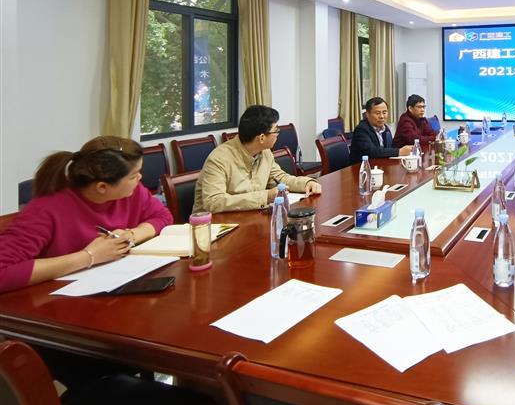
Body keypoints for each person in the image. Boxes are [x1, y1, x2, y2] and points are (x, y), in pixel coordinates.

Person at [0, 136, 173, 293]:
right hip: (52, 303)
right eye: (133, 175)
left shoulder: (130, 191)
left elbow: (162, 216)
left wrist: (132, 235)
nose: (139, 178)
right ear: (102, 187)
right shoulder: (45, 210)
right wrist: (89, 256)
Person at [194, 105, 321, 213]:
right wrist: (265, 197)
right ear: (261, 138)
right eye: (276, 130)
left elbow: (280, 178)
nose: (278, 134)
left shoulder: (264, 152)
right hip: (215, 226)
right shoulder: (219, 159)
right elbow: (214, 202)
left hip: (248, 217)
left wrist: (306, 183)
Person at [349, 97, 413, 163]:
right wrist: (399, 151)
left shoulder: (385, 128)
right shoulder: (361, 130)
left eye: (384, 112)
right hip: (361, 167)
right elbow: (372, 152)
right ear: (367, 114)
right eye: (377, 113)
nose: (382, 116)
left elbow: (388, 148)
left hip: (381, 164)